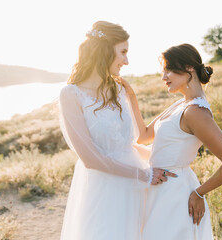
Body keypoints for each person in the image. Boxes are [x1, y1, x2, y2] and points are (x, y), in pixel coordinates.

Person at [58, 21, 176, 240]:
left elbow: (129, 143)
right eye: (123, 52)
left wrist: (165, 159)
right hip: (104, 188)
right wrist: (144, 175)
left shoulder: (120, 88)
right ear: (103, 51)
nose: (126, 60)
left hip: (137, 185)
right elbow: (91, 158)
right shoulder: (71, 95)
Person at [118, 43, 222, 240]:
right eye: (163, 71)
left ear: (188, 68)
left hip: (176, 195)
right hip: (157, 190)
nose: (163, 77)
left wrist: (200, 193)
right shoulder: (180, 104)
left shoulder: (195, 112)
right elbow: (142, 136)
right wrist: (131, 97)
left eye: (169, 70)